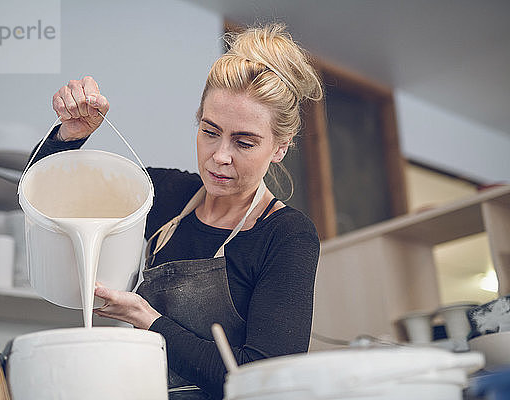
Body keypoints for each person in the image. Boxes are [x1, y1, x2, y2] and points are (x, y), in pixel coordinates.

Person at [31, 23, 322, 400]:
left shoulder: (286, 235)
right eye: (210, 131)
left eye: (244, 142)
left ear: (280, 147)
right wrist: (69, 135)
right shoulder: (166, 195)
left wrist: (149, 321)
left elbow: (265, 378)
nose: (220, 156)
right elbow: (45, 194)